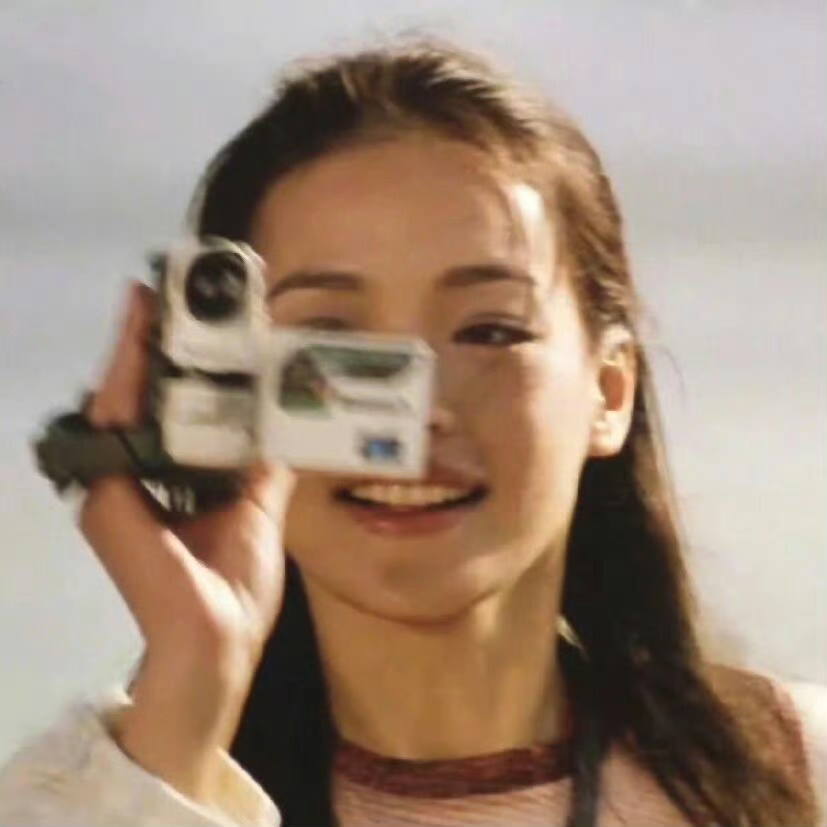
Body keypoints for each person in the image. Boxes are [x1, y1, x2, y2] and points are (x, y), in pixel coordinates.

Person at [0, 38, 824, 827]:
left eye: (488, 331)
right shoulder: (121, 794)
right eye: (329, 337)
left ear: (608, 390)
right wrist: (184, 692)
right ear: (226, 386)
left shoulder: (796, 770)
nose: (415, 410)